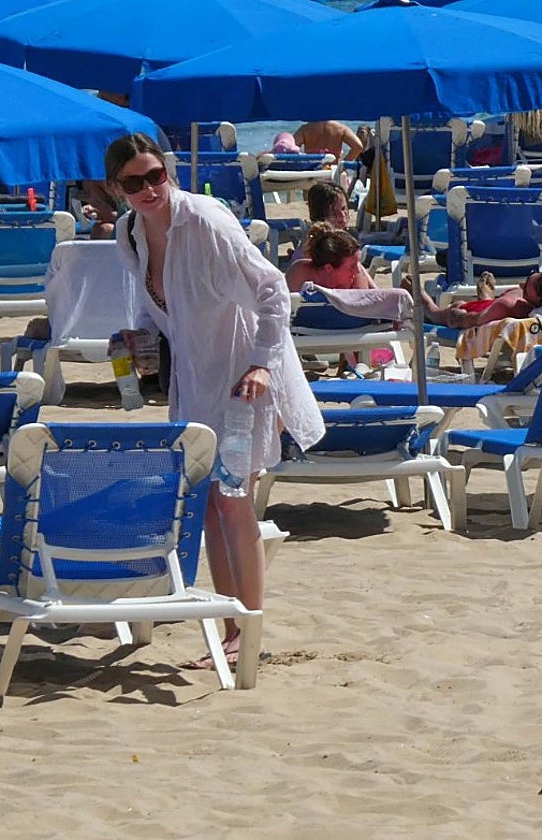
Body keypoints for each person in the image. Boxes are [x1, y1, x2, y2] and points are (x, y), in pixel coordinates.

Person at [106, 131, 324, 668]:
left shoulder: (204, 219)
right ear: (117, 189)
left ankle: (246, 631)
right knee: (204, 505)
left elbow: (274, 288)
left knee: (232, 499)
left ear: (169, 173)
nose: (148, 189)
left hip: (240, 377)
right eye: (134, 183)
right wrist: (136, 339)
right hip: (192, 379)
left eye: (155, 176)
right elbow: (154, 303)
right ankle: (230, 626)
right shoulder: (128, 233)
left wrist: (260, 364)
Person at [286, 224, 378, 293]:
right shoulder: (300, 273)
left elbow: (362, 316)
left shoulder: (356, 278)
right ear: (328, 268)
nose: (357, 270)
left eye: (357, 263)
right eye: (352, 267)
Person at [294, 120, 364, 161]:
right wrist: (343, 164)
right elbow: (358, 146)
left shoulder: (306, 128)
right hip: (332, 170)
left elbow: (290, 147)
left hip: (312, 171)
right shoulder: (340, 128)